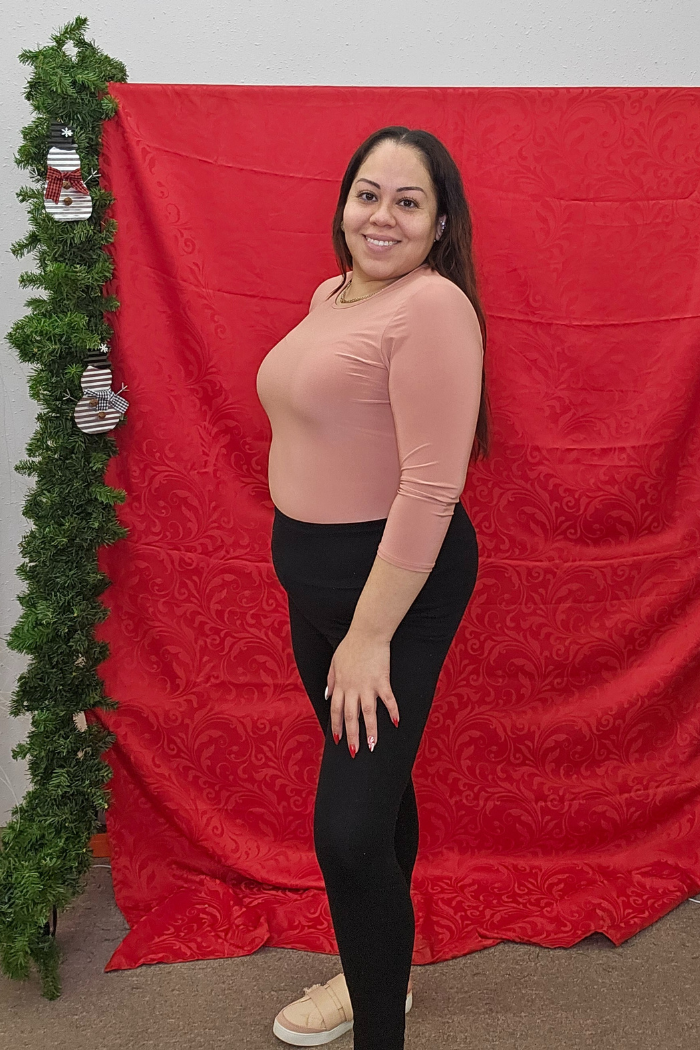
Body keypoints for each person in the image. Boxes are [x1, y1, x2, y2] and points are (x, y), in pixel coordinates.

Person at [256, 124, 490, 1050]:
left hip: (391, 590)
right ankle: (371, 978)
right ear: (344, 203)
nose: (381, 215)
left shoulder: (433, 308)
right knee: (379, 795)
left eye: (407, 201)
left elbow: (432, 487)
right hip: (314, 582)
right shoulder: (333, 294)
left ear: (439, 225)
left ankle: (377, 1028)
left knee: (348, 832)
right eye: (368, 194)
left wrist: (368, 635)